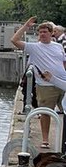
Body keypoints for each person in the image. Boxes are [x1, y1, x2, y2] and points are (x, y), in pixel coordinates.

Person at [11, 18, 66, 148]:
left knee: (64, 111)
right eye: (40, 32)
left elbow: (63, 62)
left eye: (45, 32)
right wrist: (26, 26)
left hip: (63, 83)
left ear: (51, 33)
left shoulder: (58, 46)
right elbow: (14, 40)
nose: (42, 34)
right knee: (46, 112)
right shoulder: (34, 47)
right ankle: (45, 140)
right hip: (46, 85)